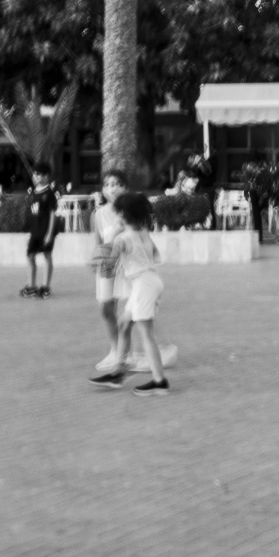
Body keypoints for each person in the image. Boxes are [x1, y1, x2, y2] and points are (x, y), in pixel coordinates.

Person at [106, 191, 174, 395]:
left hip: (143, 285)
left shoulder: (122, 239)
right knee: (124, 324)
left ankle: (159, 381)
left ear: (123, 214)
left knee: (145, 333)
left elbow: (108, 265)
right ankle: (118, 371)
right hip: (149, 281)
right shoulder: (144, 232)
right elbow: (154, 255)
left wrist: (113, 236)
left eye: (118, 212)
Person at [88, 169, 134, 384]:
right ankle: (115, 350)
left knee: (128, 314)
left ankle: (124, 357)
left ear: (125, 188)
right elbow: (98, 242)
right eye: (107, 185)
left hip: (126, 265)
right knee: (105, 308)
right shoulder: (98, 214)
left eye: (117, 184)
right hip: (106, 265)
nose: (112, 188)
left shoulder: (131, 211)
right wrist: (95, 260)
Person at [22, 164, 60, 299]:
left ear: (46, 176)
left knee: (47, 255)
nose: (35, 177)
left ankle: (45, 287)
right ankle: (31, 286)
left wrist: (49, 233)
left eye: (38, 174)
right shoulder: (33, 193)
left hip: (45, 231)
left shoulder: (49, 194)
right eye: (34, 174)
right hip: (35, 231)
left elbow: (52, 214)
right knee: (30, 256)